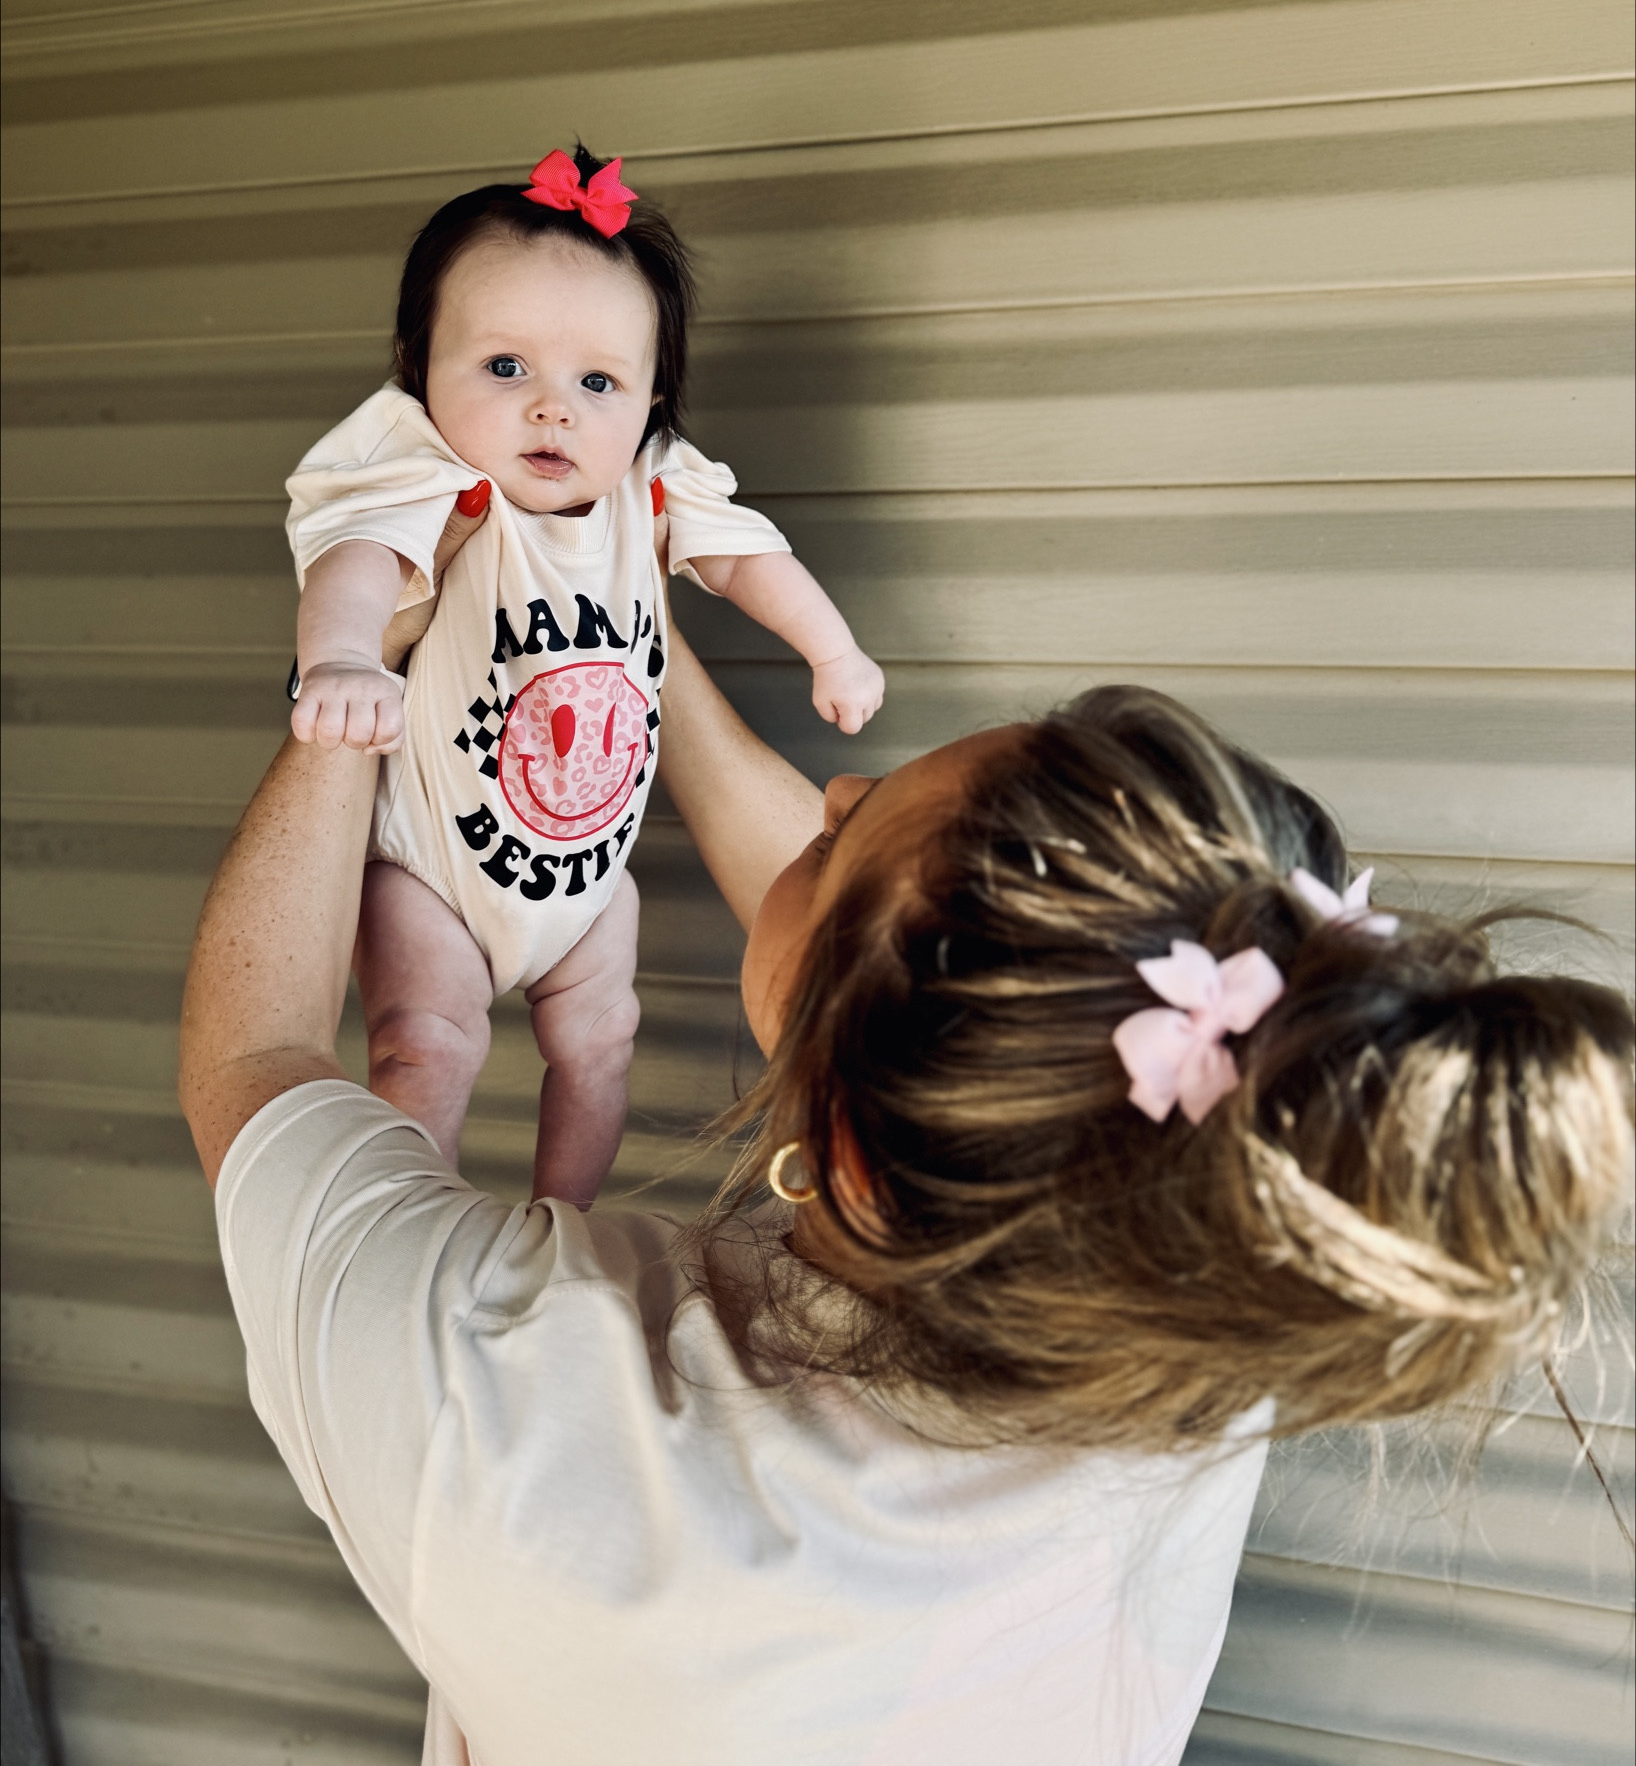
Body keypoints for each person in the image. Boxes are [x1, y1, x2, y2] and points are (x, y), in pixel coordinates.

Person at [179, 579, 1633, 1766]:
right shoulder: (1210, 1244)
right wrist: (602, 596)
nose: (846, 778)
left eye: (839, 832)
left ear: (860, 1153)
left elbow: (252, 1061)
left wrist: (359, 666)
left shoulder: (533, 1437)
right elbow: (862, 979)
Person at [283, 145, 884, 1205]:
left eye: (597, 380)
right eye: (505, 367)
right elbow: (355, 562)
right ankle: (413, 1230)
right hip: (433, 866)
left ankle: (558, 1217)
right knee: (425, 1046)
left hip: (585, 880)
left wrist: (829, 648)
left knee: (603, 1042)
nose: (552, 408)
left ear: (652, 401)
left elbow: (749, 559)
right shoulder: (423, 472)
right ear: (419, 365)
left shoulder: (651, 484)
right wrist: (338, 655)